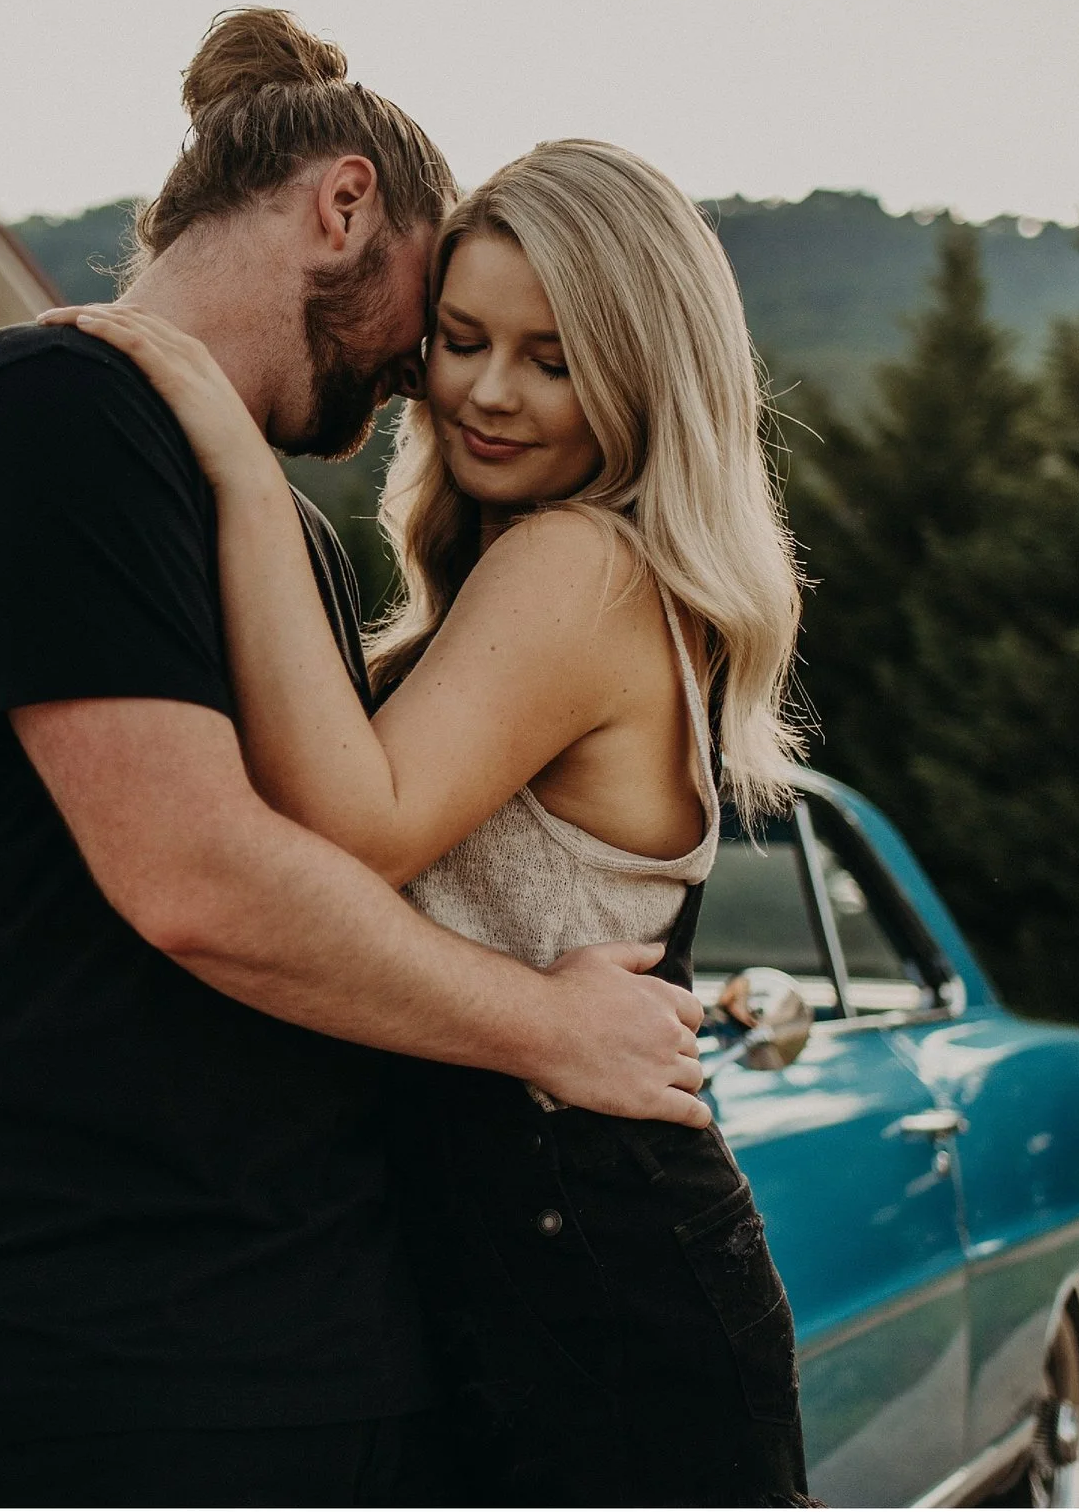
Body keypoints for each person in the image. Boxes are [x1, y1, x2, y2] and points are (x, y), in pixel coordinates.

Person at [0, 10, 711, 1507]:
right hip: (77, 1359)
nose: (430, 385)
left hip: (286, 1351)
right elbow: (200, 878)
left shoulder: (279, 528)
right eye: (441, 328)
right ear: (344, 205)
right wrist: (545, 1026)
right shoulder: (50, 412)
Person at [48, 137, 817, 1505]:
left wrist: (235, 460)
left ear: (646, 378)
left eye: (555, 357)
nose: (489, 391)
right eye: (461, 339)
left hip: (599, 1299)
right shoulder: (555, 580)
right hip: (523, 1275)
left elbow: (354, 824)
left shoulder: (577, 564)